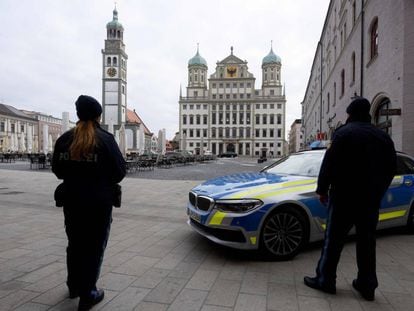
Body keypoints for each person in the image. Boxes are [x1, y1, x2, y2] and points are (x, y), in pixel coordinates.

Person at [304, 97, 396, 301]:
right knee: (367, 242)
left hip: (343, 197)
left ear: (351, 114)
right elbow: (391, 168)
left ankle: (325, 280)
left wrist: (322, 189)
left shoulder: (342, 134)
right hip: (370, 200)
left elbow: (329, 163)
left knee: (333, 241)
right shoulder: (383, 137)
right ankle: (367, 285)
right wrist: (379, 190)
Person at [52, 95, 126, 310]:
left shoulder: (65, 139)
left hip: (72, 200)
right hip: (98, 202)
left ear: (78, 115)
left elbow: (57, 170)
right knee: (94, 246)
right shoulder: (106, 139)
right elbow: (120, 171)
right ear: (98, 116)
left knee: (74, 244)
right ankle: (88, 293)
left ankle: (73, 286)